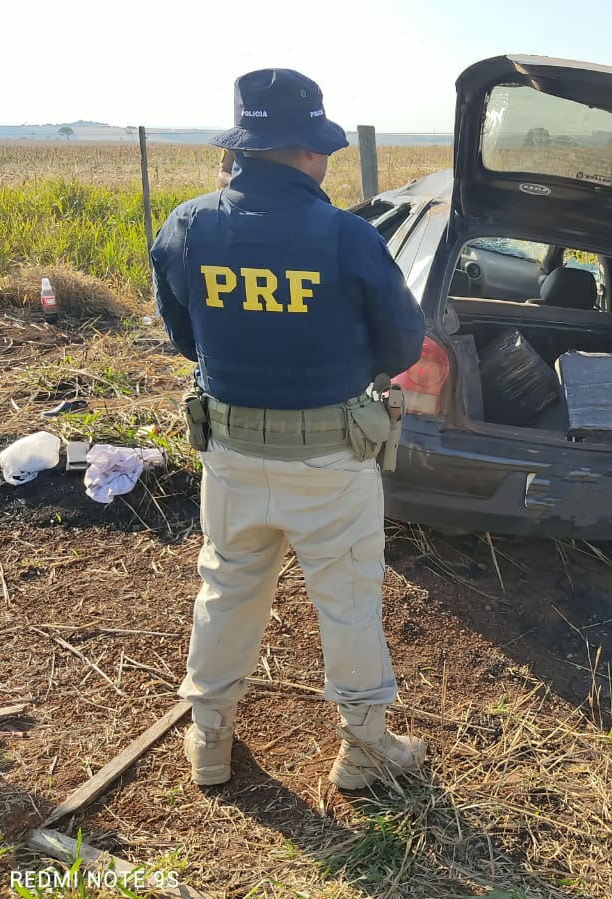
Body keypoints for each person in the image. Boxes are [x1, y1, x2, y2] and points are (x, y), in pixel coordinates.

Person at [150, 68, 427, 791]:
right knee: (348, 601)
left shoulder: (187, 224)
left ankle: (208, 741)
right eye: (322, 147)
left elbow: (185, 338)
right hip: (331, 460)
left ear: (244, 147)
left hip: (231, 453)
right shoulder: (345, 236)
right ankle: (364, 751)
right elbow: (402, 346)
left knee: (226, 589)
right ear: (305, 149)